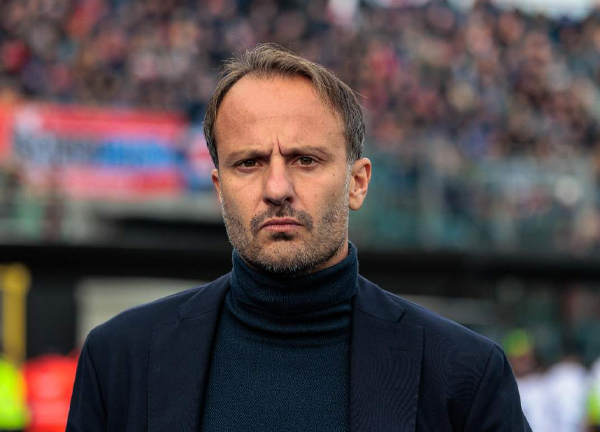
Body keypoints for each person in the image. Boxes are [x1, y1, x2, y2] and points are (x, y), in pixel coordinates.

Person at [66, 43, 531, 432]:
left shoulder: (465, 375)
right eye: (248, 162)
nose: (277, 188)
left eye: (305, 160)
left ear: (357, 183)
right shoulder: (119, 360)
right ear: (219, 189)